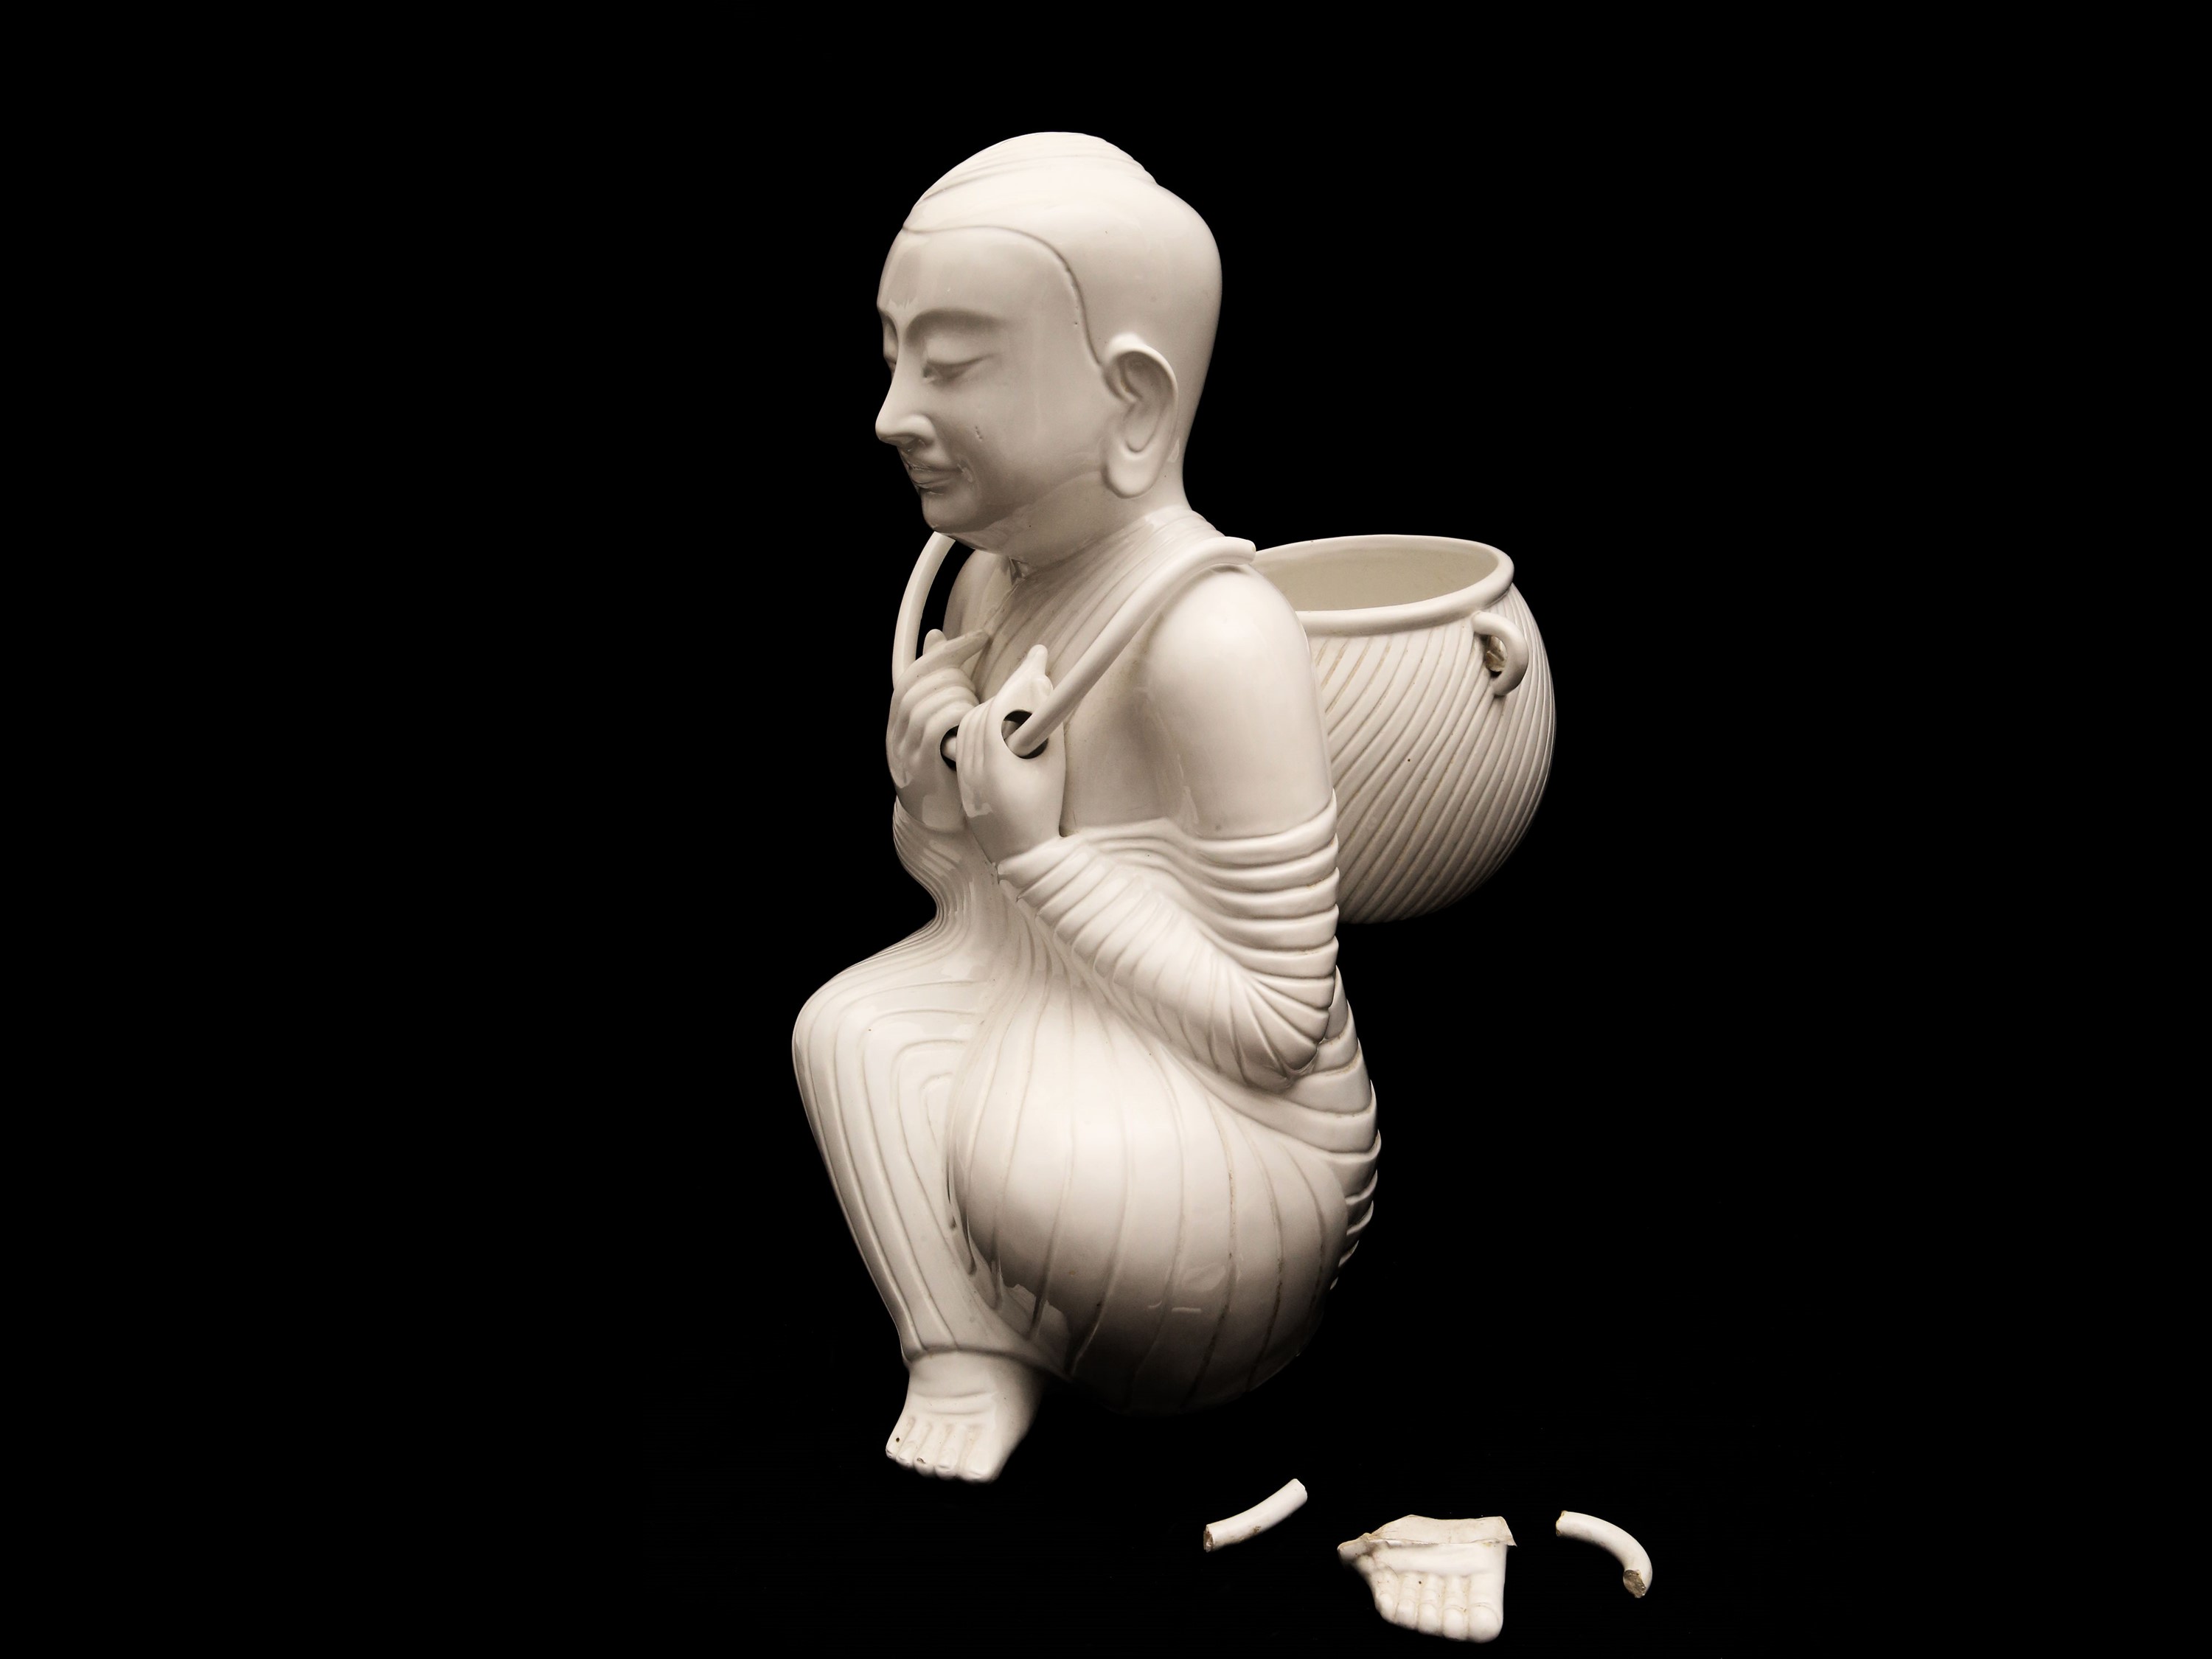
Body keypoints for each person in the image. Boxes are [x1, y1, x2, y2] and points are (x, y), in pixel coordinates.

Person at [793, 134, 1378, 1481]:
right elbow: (970, 911)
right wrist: (934, 806)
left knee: (1033, 1159)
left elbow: (1279, 1027)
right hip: (1058, 1000)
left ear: (1132, 403)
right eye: (892, 356)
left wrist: (1040, 855)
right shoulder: (988, 581)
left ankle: (1069, 1306)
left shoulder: (1215, 636)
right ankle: (967, 1342)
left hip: (1249, 1133)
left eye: (950, 364)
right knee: (848, 1028)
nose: (890, 411)